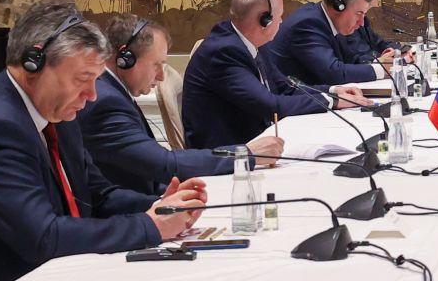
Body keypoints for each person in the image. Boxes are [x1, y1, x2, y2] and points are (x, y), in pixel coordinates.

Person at [0, 1, 206, 281]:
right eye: (82, 79)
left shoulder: (54, 109)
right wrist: (149, 226)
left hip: (58, 276)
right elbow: (42, 236)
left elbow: (97, 194)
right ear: (33, 62)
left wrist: (163, 207)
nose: (91, 96)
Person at [77, 14, 286, 195]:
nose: (160, 77)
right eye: (156, 65)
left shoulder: (113, 91)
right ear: (125, 58)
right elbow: (165, 164)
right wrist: (245, 154)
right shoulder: (105, 102)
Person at [182, 0, 366, 149]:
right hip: (228, 154)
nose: (281, 21)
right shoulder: (224, 52)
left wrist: (333, 91)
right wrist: (332, 102)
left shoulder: (249, 42)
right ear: (265, 19)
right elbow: (271, 106)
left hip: (255, 141)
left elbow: (284, 87)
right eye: (279, 16)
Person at [263, 0, 388, 86]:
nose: (361, 23)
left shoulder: (328, 21)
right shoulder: (308, 24)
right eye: (359, 13)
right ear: (338, 6)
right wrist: (382, 69)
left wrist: (380, 62)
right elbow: (334, 73)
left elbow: (350, 59)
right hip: (292, 105)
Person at [338, 0, 400, 67]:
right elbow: (359, 58)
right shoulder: (343, 19)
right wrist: (385, 57)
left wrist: (395, 50)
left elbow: (379, 43)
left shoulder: (361, 16)